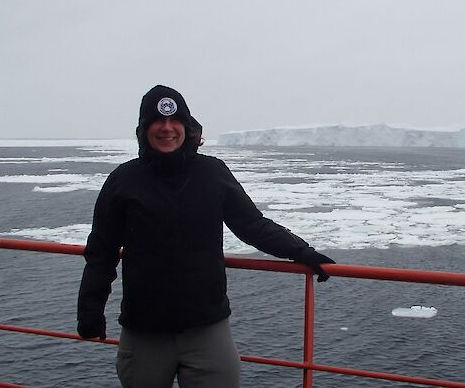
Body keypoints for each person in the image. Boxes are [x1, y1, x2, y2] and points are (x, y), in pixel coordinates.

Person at [77, 85, 334, 388]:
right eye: (157, 121)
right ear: (144, 129)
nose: (167, 128)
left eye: (175, 121)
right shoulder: (124, 180)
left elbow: (252, 225)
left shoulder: (212, 173)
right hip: (144, 332)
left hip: (207, 329)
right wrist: (91, 309)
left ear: (187, 127)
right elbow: (102, 251)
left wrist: (302, 251)